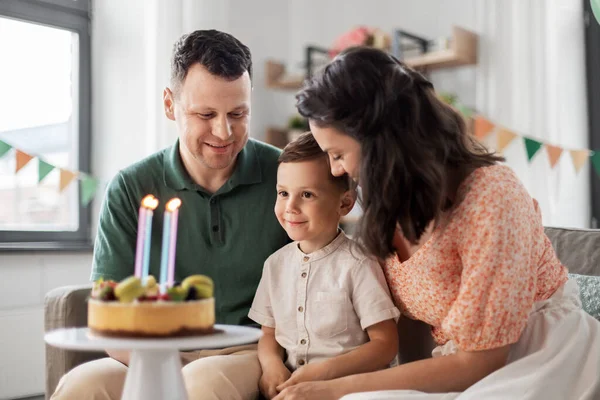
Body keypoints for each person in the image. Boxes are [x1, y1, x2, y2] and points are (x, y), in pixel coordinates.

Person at [272, 46, 600, 400]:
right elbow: (411, 327)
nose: (336, 170)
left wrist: (334, 388)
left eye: (338, 155)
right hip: (456, 365)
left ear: (382, 142)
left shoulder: (492, 197)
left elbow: (481, 362)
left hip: (541, 356)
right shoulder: (391, 201)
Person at [51, 30, 289, 400]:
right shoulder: (131, 186)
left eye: (238, 113)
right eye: (205, 114)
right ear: (169, 104)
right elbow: (109, 317)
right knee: (81, 386)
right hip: (149, 351)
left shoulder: (285, 175)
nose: (224, 131)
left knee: (202, 385)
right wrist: (164, 368)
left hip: (251, 351)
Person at [248, 132, 400, 399]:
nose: (290, 207)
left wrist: (324, 373)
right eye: (283, 193)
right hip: (292, 389)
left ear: (344, 203)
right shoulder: (275, 264)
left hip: (349, 391)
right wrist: (271, 367)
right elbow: (269, 334)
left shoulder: (358, 264)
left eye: (307, 194)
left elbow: (385, 345)